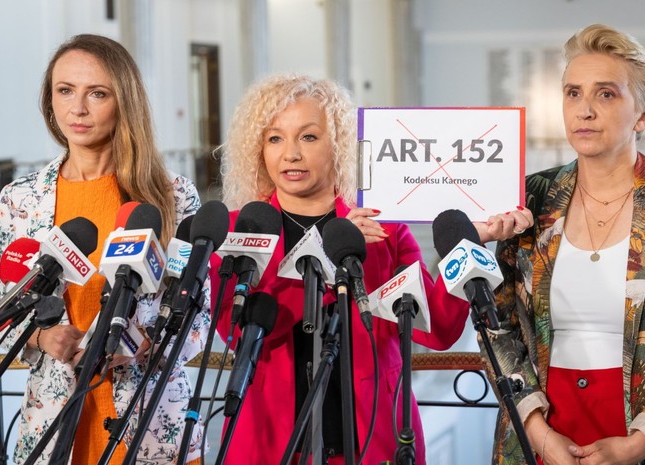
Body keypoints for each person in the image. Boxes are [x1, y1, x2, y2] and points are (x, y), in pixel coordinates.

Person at [210, 74, 532, 464]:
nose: (290, 154)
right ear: (258, 148)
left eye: (308, 137)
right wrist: (324, 258)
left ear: (339, 144)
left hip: (372, 436)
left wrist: (469, 244)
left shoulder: (384, 229)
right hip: (267, 440)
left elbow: (438, 330)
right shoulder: (241, 228)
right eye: (275, 138)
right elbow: (235, 328)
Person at [484, 24, 645, 465]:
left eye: (605, 94)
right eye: (573, 93)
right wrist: (539, 435)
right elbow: (497, 327)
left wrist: (640, 443)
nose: (585, 110)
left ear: (643, 115)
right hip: (542, 435)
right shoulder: (530, 197)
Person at [0, 34, 206, 465]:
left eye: (97, 93)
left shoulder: (174, 197)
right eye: (65, 90)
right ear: (49, 100)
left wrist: (141, 343)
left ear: (124, 100)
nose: (78, 108)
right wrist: (43, 336)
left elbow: (198, 315)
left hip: (148, 421)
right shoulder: (20, 200)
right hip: (53, 425)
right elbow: (2, 310)